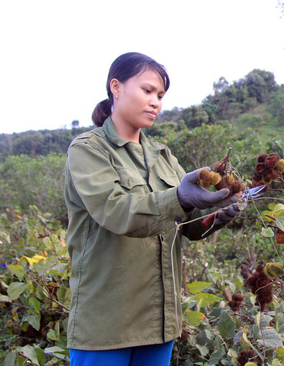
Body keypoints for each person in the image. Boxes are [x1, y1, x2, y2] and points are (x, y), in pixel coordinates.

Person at [64, 52, 241, 366]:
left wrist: (215, 215)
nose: (156, 102)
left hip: (158, 324)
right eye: (147, 91)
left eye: (160, 95)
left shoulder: (163, 156)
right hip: (106, 325)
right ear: (115, 87)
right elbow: (117, 211)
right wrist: (180, 198)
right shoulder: (87, 150)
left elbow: (188, 226)